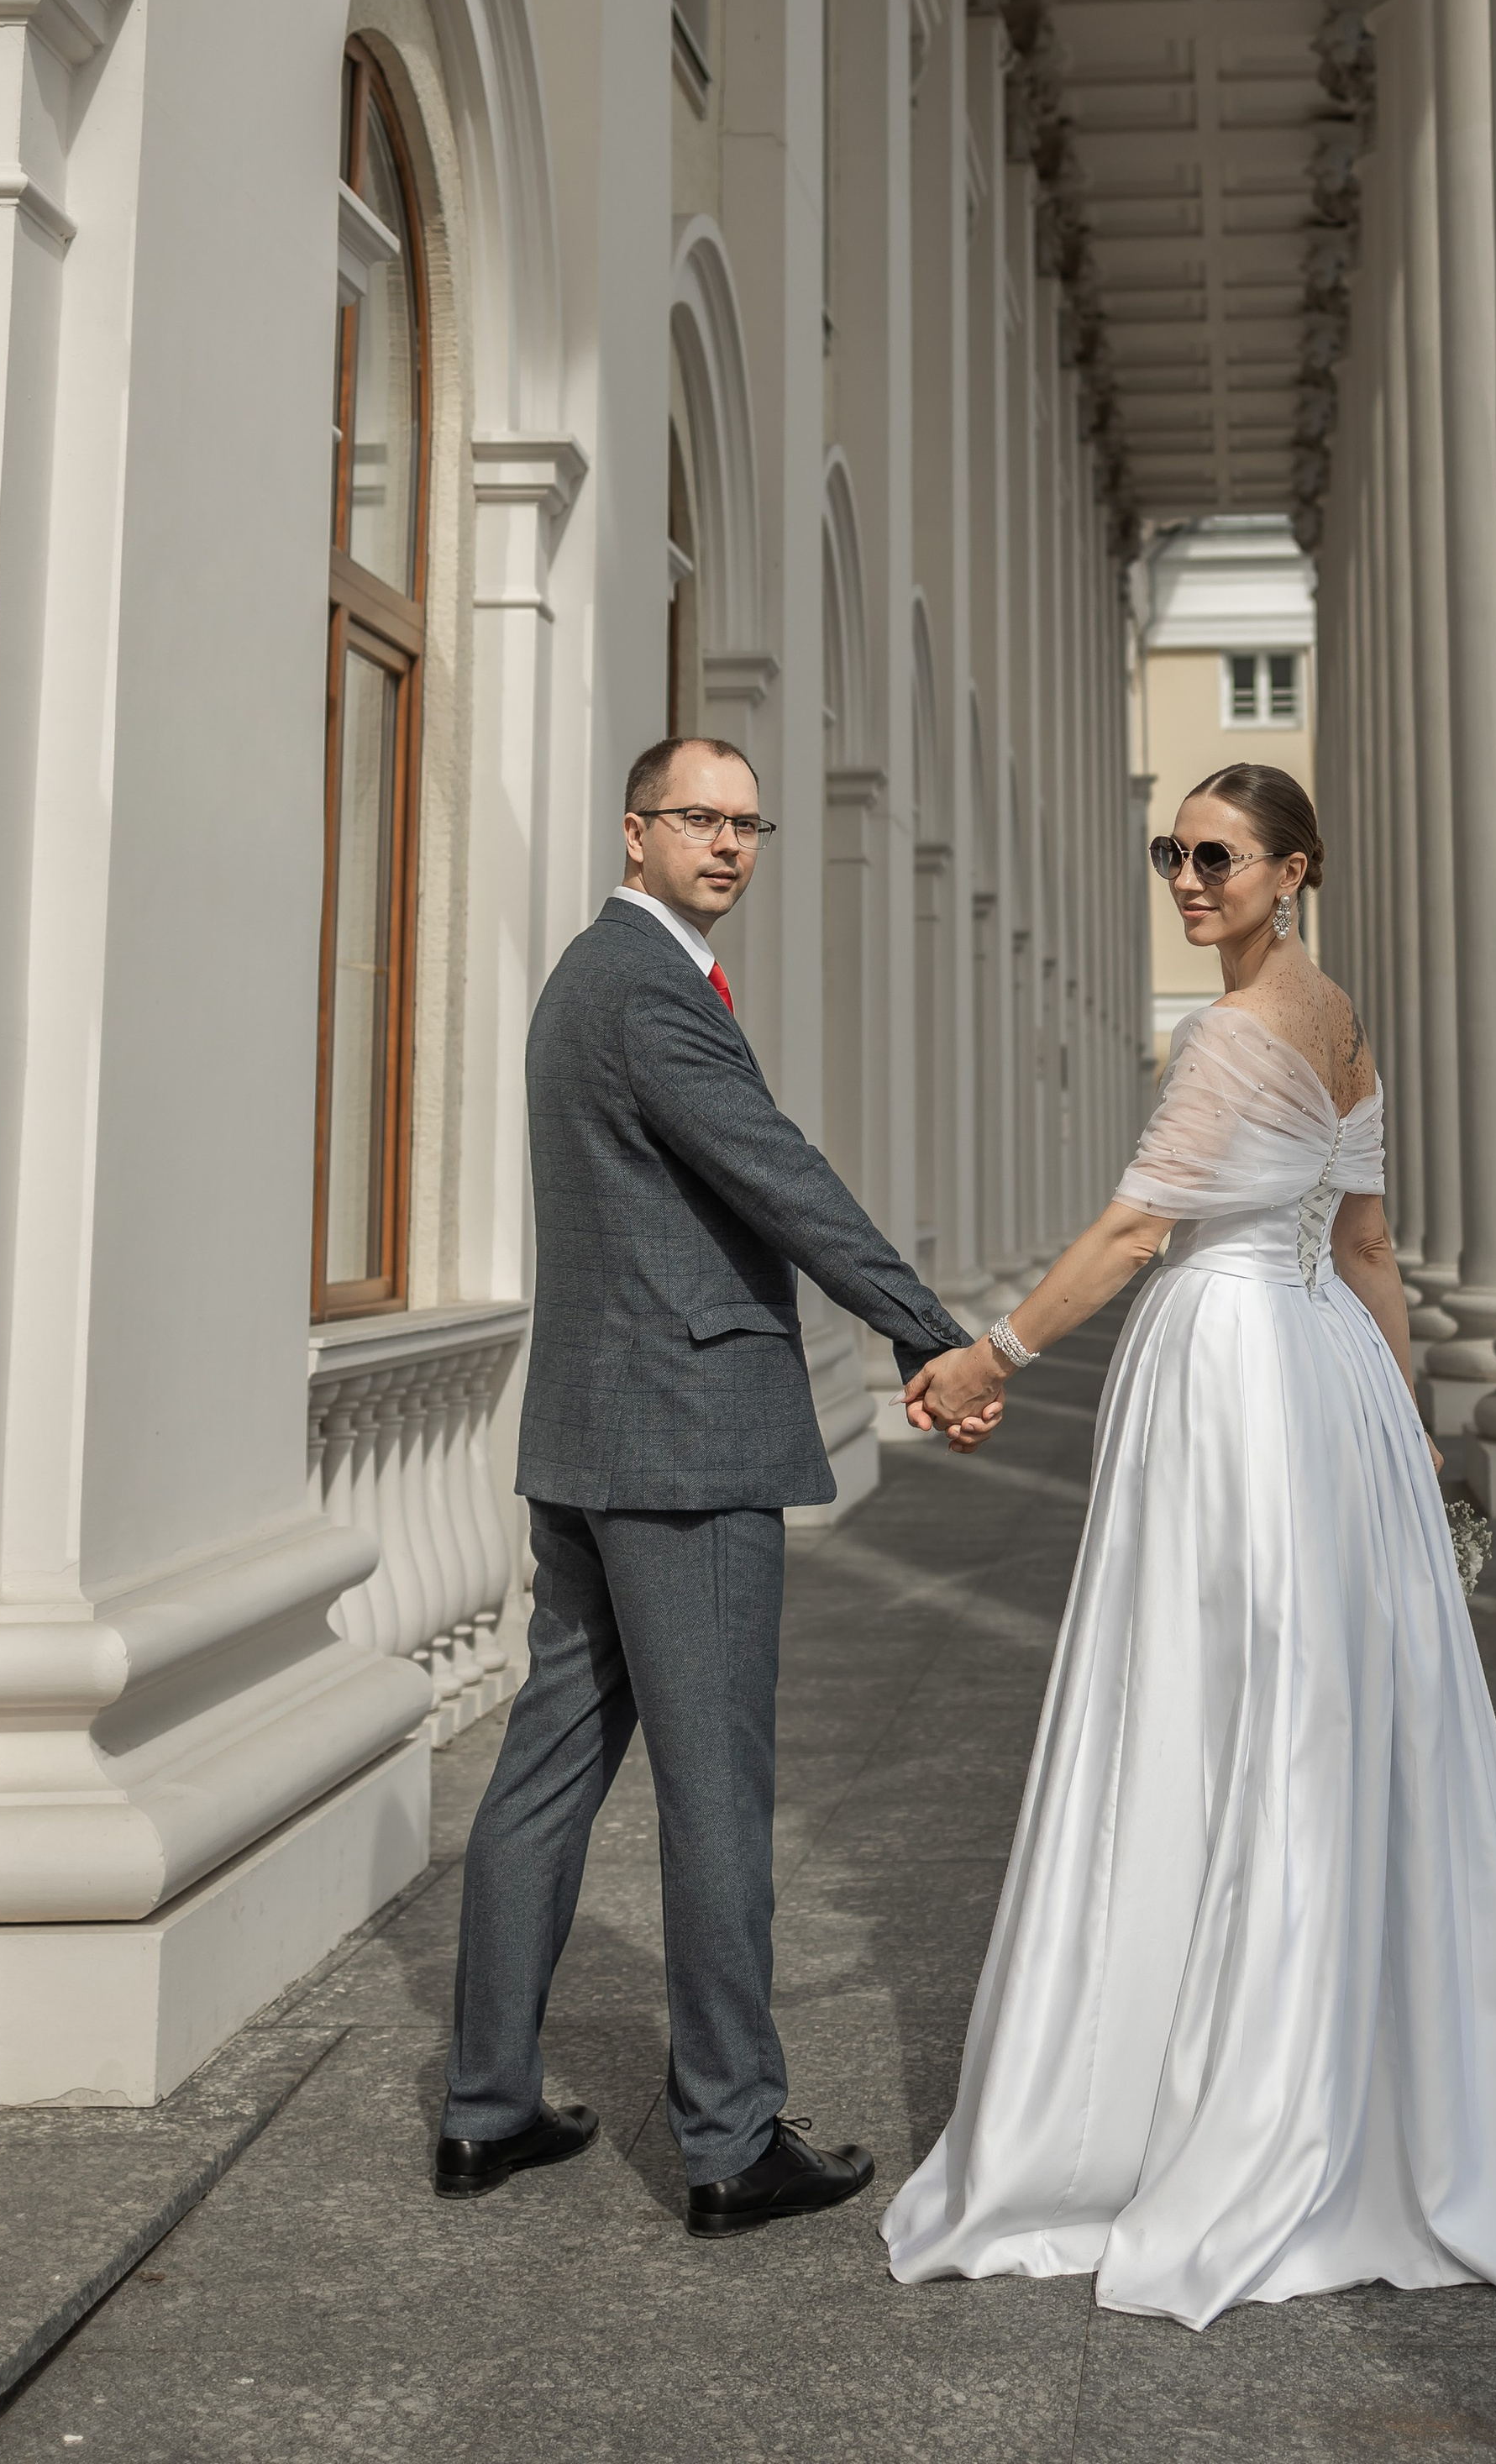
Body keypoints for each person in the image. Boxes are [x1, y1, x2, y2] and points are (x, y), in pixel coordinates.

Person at [882, 764, 1496, 2329]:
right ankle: (1341, 2069)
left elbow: (1129, 1233)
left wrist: (986, 1361)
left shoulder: (1231, 1034)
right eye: (1173, 852)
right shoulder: (1339, 1019)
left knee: (1203, 1703)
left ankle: (1211, 2099)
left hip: (1233, 1382)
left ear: (1292, 869)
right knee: (1314, 1714)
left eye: (1218, 857)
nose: (1187, 878)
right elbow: (1365, 1251)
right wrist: (1409, 1424)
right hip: (1324, 1382)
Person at [437, 735, 972, 2234]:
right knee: (717, 1792)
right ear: (635, 831)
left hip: (596, 1437)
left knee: (546, 1769)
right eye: (699, 819)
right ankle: (732, 2142)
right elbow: (778, 1174)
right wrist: (930, 1331)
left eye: (749, 823)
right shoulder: (648, 990)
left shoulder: (586, 982)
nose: (730, 845)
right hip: (685, 1442)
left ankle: (486, 2110)